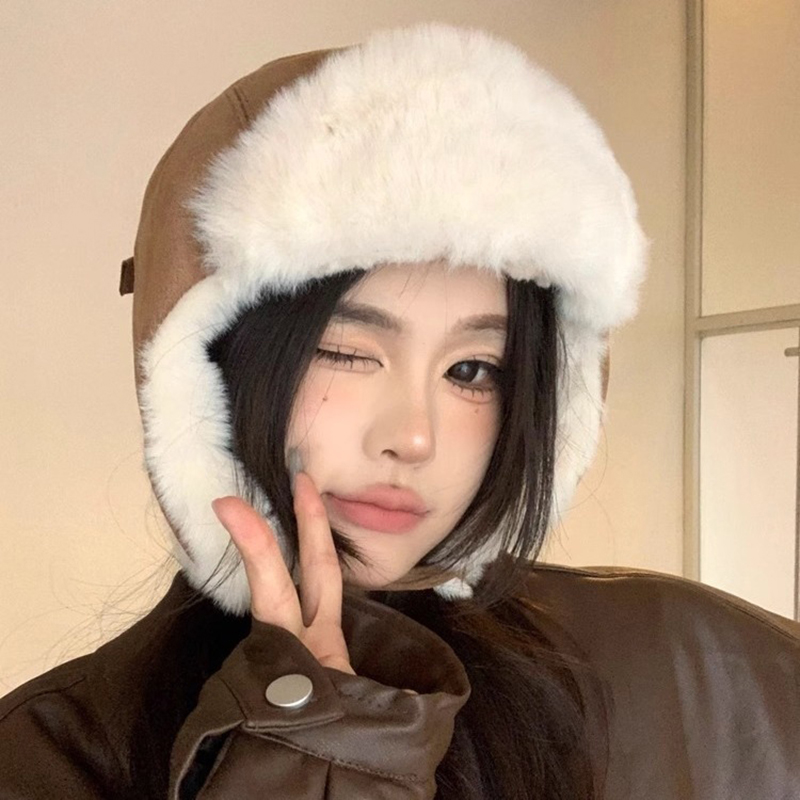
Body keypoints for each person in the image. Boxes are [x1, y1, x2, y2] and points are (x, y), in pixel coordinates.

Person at [1, 21, 798, 800]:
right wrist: (314, 759)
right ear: (206, 366)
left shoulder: (703, 674)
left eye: (473, 370)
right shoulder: (47, 756)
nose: (414, 437)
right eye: (348, 352)